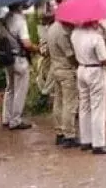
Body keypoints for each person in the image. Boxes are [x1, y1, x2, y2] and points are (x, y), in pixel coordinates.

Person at [71, 20, 106, 155]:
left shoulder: (75, 34)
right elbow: (104, 59)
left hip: (81, 69)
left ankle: (86, 140)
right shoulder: (96, 37)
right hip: (95, 70)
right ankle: (98, 143)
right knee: (98, 108)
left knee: (84, 106)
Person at [0, 3, 38, 130]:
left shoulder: (1, 20)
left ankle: (6, 118)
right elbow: (26, 43)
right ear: (19, 5)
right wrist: (36, 48)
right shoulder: (20, 20)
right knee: (20, 90)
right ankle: (15, 120)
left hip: (7, 58)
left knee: (10, 88)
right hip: (19, 59)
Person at [47, 13, 79, 148]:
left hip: (55, 68)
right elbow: (70, 55)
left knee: (58, 102)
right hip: (66, 70)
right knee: (69, 103)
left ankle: (59, 131)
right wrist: (79, 64)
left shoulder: (52, 28)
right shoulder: (62, 33)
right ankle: (69, 135)